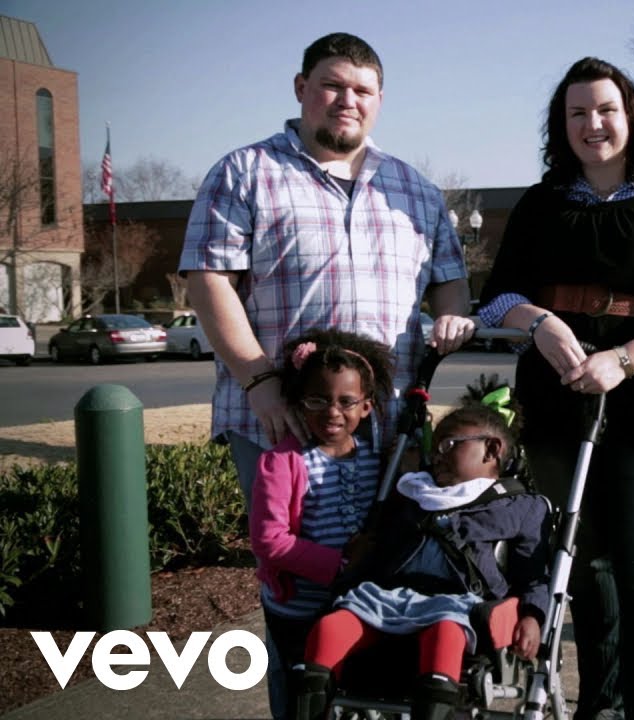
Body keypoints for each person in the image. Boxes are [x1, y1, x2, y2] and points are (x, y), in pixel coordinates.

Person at [177, 32, 474, 717]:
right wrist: (259, 379)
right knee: (297, 595)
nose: (348, 101)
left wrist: (453, 319)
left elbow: (451, 285)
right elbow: (208, 280)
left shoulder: (414, 188)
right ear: (301, 88)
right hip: (282, 421)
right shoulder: (245, 172)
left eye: (363, 90)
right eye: (333, 85)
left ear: (379, 101)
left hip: (386, 430)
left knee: (388, 589)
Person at [477, 57, 634, 720]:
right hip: (560, 412)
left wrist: (624, 358)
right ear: (562, 126)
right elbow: (495, 298)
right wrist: (540, 322)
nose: (593, 124)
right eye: (577, 113)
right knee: (585, 579)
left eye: (605, 109)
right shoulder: (539, 203)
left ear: (631, 114)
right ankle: (601, 707)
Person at [290, 378, 550, 720]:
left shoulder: (518, 507)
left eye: (449, 445)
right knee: (330, 627)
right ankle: (312, 702)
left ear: (491, 450)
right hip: (387, 595)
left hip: (459, 604)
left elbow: (534, 575)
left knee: (445, 633)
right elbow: (381, 549)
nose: (436, 455)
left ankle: (435, 707)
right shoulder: (414, 494)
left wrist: (533, 616)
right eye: (435, 446)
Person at [248, 328, 395, 716]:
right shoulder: (283, 462)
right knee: (306, 691)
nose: (332, 411)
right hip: (300, 606)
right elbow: (269, 540)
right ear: (298, 403)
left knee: (354, 688)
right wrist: (341, 566)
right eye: (318, 399)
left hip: (357, 603)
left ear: (366, 406)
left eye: (346, 401)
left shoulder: (377, 459)